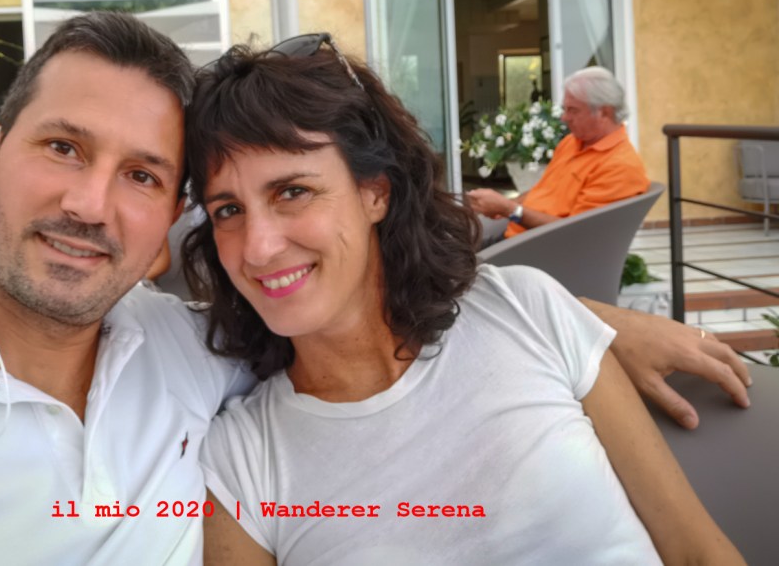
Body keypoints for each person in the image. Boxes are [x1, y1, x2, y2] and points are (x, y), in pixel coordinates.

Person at [0, 14, 749, 564]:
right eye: (62, 147)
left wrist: (586, 319)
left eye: (142, 174)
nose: (90, 204)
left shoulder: (184, 360)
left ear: (164, 218)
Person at [183, 36, 743, 565]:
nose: (257, 247)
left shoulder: (527, 313)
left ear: (375, 192)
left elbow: (697, 552)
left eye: (293, 191)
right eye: (228, 209)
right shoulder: (242, 461)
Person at [467, 66, 649, 241]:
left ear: (604, 113)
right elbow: (544, 190)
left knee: (456, 251)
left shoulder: (620, 166)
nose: (564, 118)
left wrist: (509, 209)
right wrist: (503, 205)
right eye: (564, 109)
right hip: (518, 231)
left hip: (540, 248)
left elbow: (574, 233)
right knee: (456, 237)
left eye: (573, 110)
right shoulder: (572, 142)